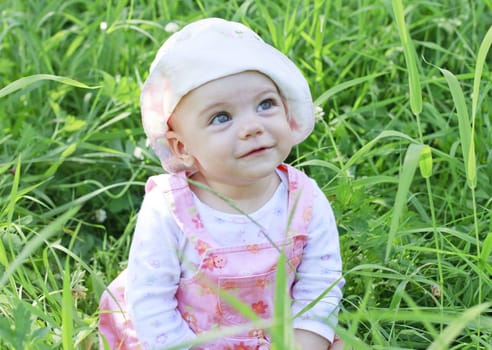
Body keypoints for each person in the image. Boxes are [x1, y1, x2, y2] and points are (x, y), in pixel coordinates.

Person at [98, 17, 344, 350]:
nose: (252, 127)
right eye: (222, 117)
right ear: (182, 148)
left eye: (265, 104)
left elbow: (320, 285)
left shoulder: (304, 200)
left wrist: (302, 343)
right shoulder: (169, 210)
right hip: (181, 339)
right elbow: (152, 303)